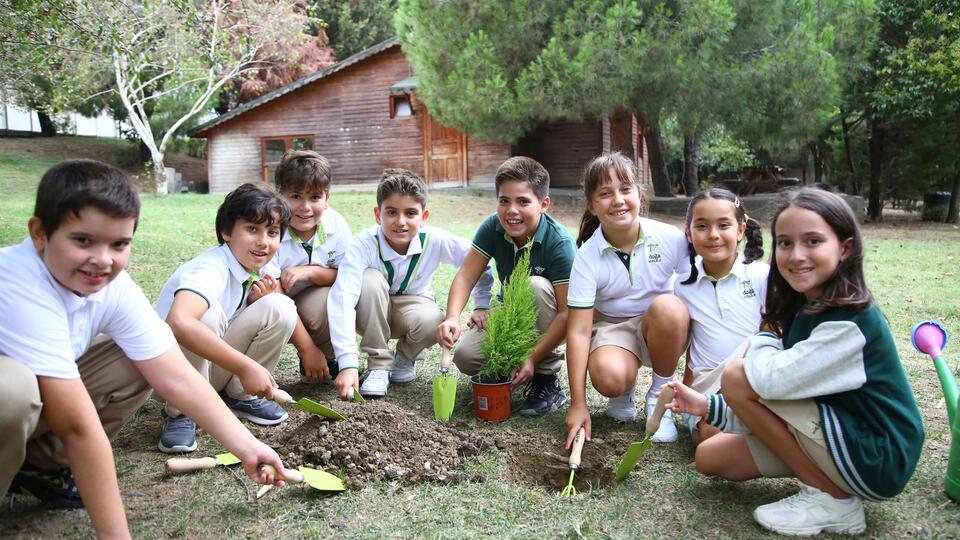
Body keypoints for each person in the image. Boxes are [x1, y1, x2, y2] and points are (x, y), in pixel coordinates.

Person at [0, 160, 287, 538]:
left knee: (138, 356)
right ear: (40, 234)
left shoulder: (112, 286)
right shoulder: (18, 282)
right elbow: (79, 426)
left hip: (39, 403)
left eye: (119, 244)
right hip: (17, 398)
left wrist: (248, 447)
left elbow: (176, 375)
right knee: (12, 390)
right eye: (82, 240)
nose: (102, 260)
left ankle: (44, 468)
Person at [664, 188, 924, 535]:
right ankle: (826, 483)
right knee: (710, 457)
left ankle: (832, 499)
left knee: (738, 376)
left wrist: (765, 334)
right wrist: (709, 407)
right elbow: (784, 395)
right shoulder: (807, 305)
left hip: (876, 453)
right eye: (785, 243)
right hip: (835, 428)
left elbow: (765, 381)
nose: (796, 255)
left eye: (813, 241)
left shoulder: (850, 321)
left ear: (844, 248)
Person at [155, 182, 315, 453]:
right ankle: (182, 411)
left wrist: (252, 304)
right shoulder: (211, 267)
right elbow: (180, 321)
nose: (263, 242)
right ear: (227, 231)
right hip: (173, 377)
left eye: (272, 232)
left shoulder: (255, 267)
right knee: (206, 312)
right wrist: (245, 366)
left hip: (209, 371)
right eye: (252, 229)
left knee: (280, 306)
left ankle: (240, 395)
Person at [329, 169, 493, 399]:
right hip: (370, 310)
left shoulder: (435, 240)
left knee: (435, 318)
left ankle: (405, 358)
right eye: (392, 212)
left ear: (424, 217)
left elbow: (479, 263)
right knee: (370, 279)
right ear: (378, 215)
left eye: (410, 213)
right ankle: (378, 364)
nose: (401, 222)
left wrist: (481, 303)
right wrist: (347, 362)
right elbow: (343, 296)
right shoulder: (362, 244)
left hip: (410, 309)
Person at [564, 152, 690, 449]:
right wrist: (578, 403)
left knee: (669, 306)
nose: (618, 200)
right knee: (608, 378)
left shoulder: (670, 238)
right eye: (605, 194)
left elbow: (696, 296)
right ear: (592, 206)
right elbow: (579, 331)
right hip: (614, 329)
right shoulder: (587, 257)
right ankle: (624, 388)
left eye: (625, 189)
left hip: (662, 326)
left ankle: (659, 396)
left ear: (639, 194)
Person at [437, 156, 576, 416]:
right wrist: (452, 317)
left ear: (543, 204)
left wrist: (533, 356)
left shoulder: (560, 244)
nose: (511, 210)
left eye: (523, 201)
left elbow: (568, 313)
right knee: (465, 357)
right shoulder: (493, 227)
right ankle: (513, 368)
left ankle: (546, 379)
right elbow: (466, 276)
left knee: (533, 285)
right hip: (507, 310)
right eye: (504, 200)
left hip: (551, 316)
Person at [674, 188, 767, 445]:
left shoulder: (760, 276)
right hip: (707, 382)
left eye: (724, 225)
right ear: (689, 234)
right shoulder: (680, 285)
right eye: (702, 226)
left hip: (753, 376)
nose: (713, 235)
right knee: (712, 438)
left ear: (740, 230)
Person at [273, 150, 352, 384]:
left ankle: (329, 358)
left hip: (310, 298)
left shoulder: (335, 223)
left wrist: (308, 271)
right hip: (275, 303)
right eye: (296, 196)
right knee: (272, 305)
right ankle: (308, 355)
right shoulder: (271, 228)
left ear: (327, 198)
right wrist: (307, 348)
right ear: (280, 196)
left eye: (315, 197)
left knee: (335, 297)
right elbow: (270, 294)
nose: (305, 207)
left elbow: (346, 274)